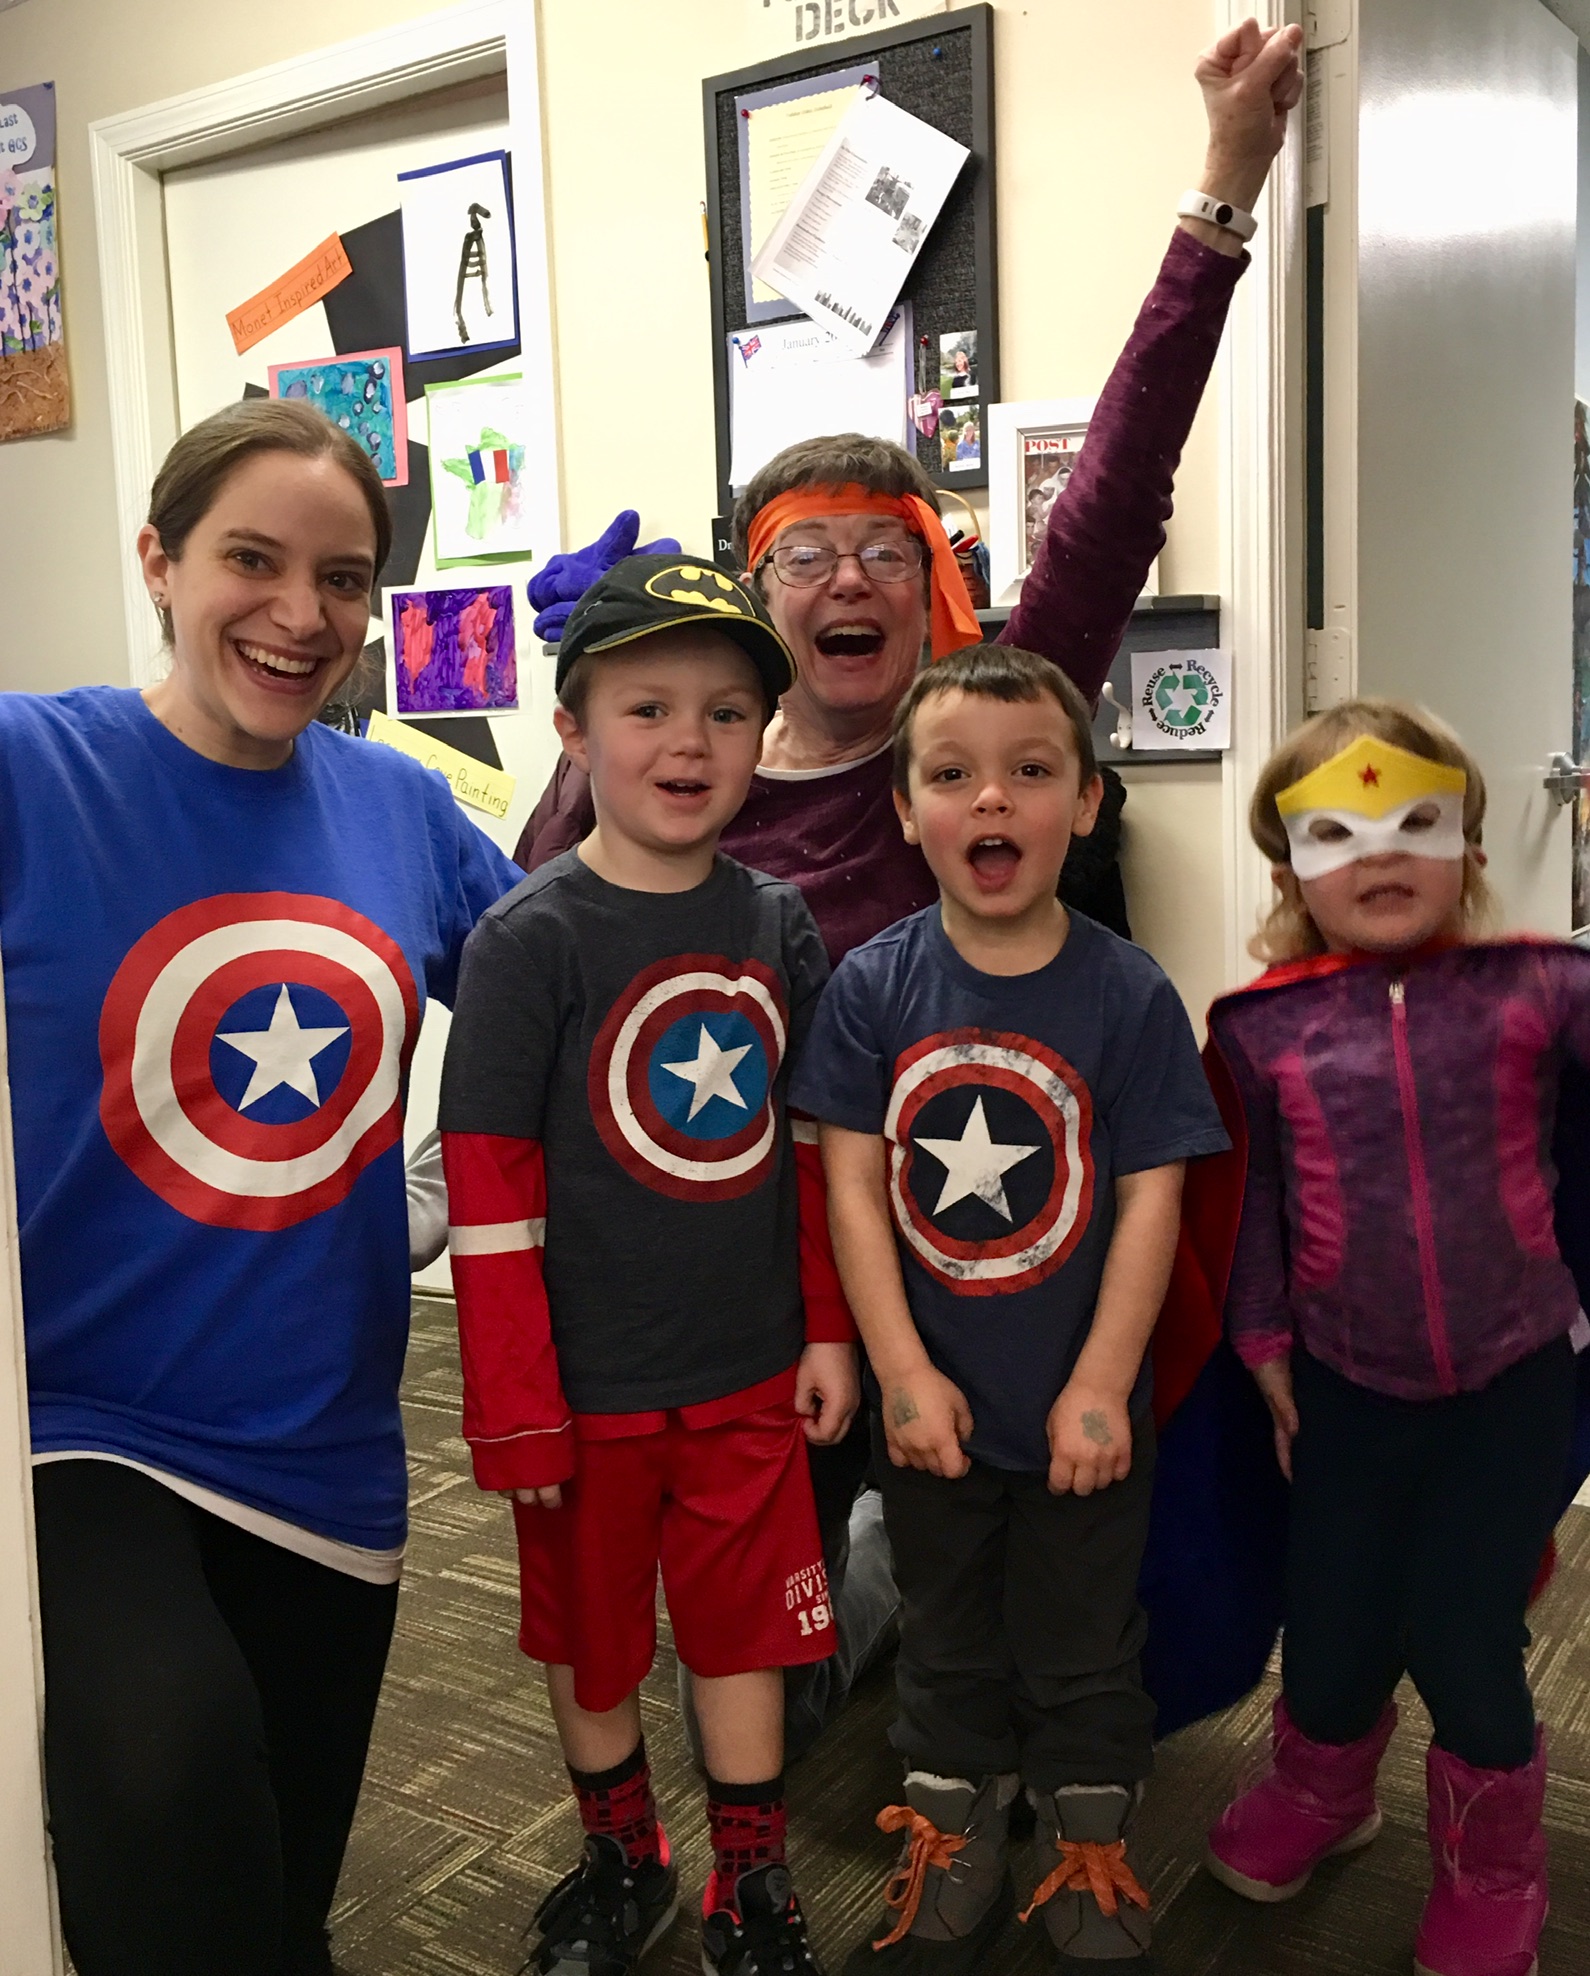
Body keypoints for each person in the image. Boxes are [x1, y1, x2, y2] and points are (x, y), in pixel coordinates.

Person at [516, 17, 1306, 1760]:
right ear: (757, 596)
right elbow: (525, 957)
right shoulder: (677, 772)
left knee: (1037, 1614)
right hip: (757, 1276)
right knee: (766, 1682)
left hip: (996, 1243)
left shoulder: (976, 741)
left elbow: (1117, 490)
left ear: (934, 583)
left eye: (892, 548)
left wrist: (1222, 189)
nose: (852, 578)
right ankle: (854, 1586)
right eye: (806, 554)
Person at [1, 399, 522, 1976]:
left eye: (343, 579)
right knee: (166, 1795)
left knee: (281, 1894)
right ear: (158, 562)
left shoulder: (398, 807)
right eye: (251, 560)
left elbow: (568, 1002)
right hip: (77, 1427)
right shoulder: (32, 767)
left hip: (327, 1440)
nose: (301, 615)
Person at [438, 557, 859, 1976]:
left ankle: (753, 1873)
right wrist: (513, 1405)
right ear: (573, 728)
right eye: (648, 708)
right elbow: (490, 1191)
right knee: (593, 1640)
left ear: (763, 736)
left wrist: (826, 1329)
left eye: (728, 712)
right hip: (581, 1393)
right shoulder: (525, 939)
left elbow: (812, 1151)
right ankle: (623, 1854)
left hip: (746, 1375)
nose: (690, 741)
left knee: (744, 1638)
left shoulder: (775, 922)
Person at [792, 645, 1229, 1974]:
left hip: (1079, 1409)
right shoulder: (872, 987)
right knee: (945, 1635)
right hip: (934, 1405)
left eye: (1030, 771)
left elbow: (1151, 1197)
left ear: (1084, 803)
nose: (991, 798)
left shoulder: (1127, 992)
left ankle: (1089, 1847)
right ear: (904, 809)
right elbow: (851, 1191)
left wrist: (1100, 1380)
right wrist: (900, 1370)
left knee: (1085, 1640)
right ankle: (952, 1834)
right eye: (952, 775)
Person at [1198, 702, 1590, 1976]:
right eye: (1338, 832)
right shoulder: (1259, 1026)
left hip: (1513, 1377)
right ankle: (1324, 1789)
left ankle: (1494, 1865)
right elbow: (1252, 1198)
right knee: (1331, 1608)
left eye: (1415, 821)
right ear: (1290, 870)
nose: (1379, 854)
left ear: (1468, 846)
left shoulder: (1546, 987)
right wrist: (1262, 1345)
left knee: (1461, 1624)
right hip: (1341, 1382)